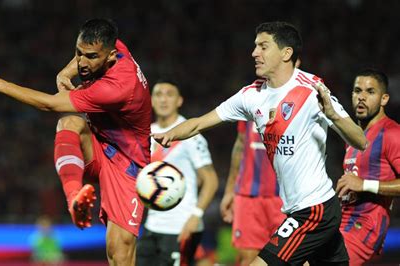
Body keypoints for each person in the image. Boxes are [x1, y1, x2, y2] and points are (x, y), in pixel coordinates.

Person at [152, 21, 368, 265]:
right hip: (299, 208)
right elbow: (199, 123)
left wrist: (333, 114)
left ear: (286, 53)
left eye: (263, 47)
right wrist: (167, 134)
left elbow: (360, 141)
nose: (255, 53)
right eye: (255, 46)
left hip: (314, 210)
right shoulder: (251, 96)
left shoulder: (312, 90)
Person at [0, 18, 152, 265]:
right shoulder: (114, 45)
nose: (83, 63)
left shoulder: (117, 87)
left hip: (127, 167)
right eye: (79, 54)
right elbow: (83, 60)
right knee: (70, 122)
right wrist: (65, 72)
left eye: (92, 57)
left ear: (110, 56)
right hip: (99, 145)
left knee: (119, 255)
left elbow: (49, 103)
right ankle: (74, 197)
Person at [136, 80, 219, 266]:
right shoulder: (146, 133)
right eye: (158, 94)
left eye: (169, 94)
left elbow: (211, 179)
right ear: (151, 100)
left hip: (181, 227)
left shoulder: (190, 133)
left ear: (179, 100)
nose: (163, 99)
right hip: (151, 226)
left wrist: (196, 216)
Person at [336, 69, 400, 265]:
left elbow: (360, 183)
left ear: (384, 99)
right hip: (343, 223)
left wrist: (364, 184)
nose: (361, 97)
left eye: (370, 92)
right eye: (357, 91)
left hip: (364, 228)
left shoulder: (391, 133)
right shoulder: (353, 137)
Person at [220, 120, 285, 265]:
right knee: (248, 259)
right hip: (248, 195)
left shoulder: (297, 100)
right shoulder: (247, 97)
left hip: (286, 196)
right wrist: (230, 189)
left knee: (291, 257)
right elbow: (241, 141)